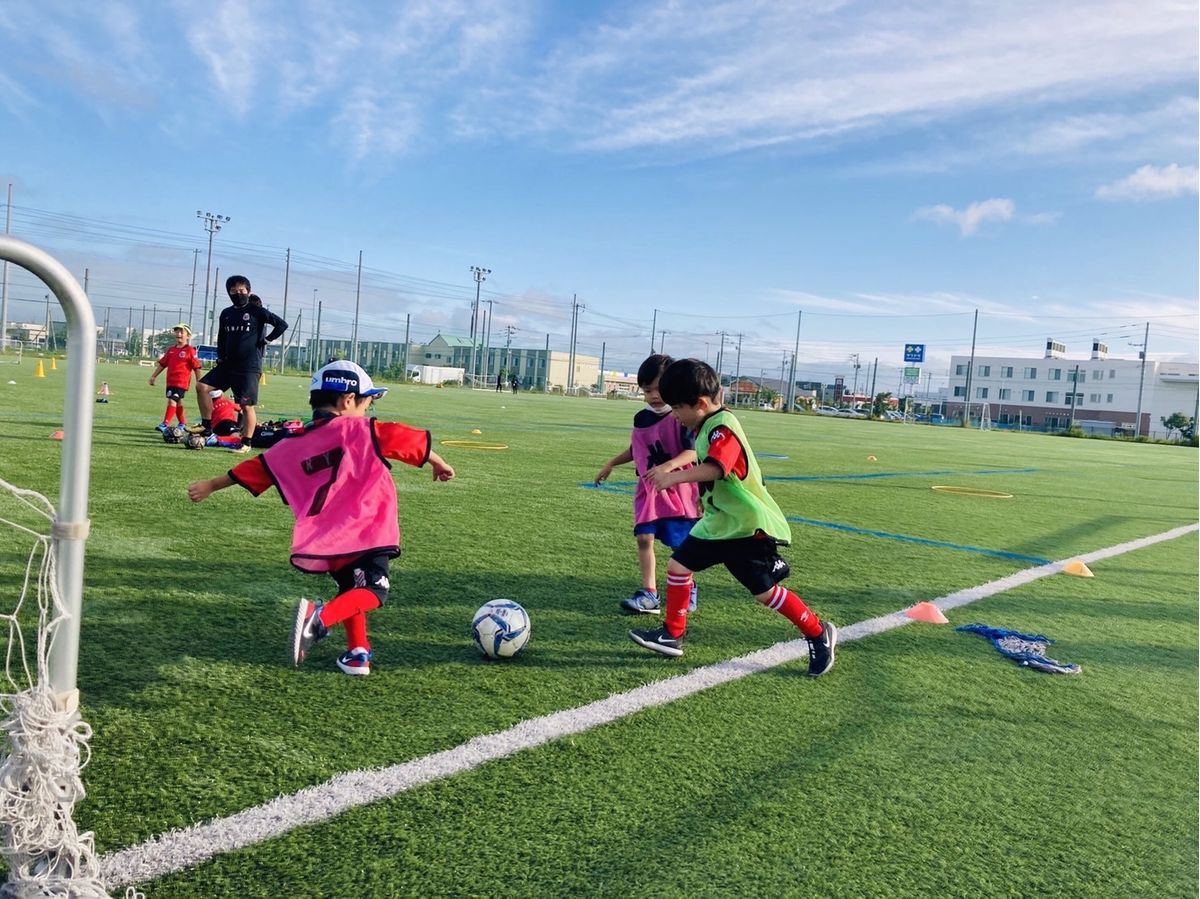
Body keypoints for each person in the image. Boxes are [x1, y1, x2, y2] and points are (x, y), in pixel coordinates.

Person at [186, 360, 455, 677]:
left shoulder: (295, 441)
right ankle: (318, 620)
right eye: (367, 404)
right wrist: (438, 462)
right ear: (348, 400)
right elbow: (407, 440)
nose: (367, 412)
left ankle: (357, 653)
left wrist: (212, 485)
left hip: (330, 537)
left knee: (351, 589)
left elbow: (258, 468)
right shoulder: (363, 430)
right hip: (368, 529)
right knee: (374, 590)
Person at [630, 358, 837, 677]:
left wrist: (673, 477)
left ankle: (817, 632)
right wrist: (700, 496)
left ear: (700, 403)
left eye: (678, 408)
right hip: (718, 524)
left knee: (765, 594)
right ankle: (672, 634)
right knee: (679, 566)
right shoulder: (705, 425)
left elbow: (717, 468)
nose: (675, 414)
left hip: (744, 527)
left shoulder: (722, 428)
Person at [595, 354, 701, 615]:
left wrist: (668, 467)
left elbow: (693, 452)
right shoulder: (640, 419)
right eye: (647, 390)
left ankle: (689, 588)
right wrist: (611, 463)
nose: (653, 395)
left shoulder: (680, 417)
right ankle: (650, 594)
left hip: (677, 490)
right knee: (644, 538)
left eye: (658, 389)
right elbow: (637, 449)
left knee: (680, 546)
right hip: (648, 491)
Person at [195, 275, 287, 450]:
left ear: (248, 291)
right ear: (229, 293)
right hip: (228, 365)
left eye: (241, 290)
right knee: (202, 387)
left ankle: (246, 442)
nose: (238, 293)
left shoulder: (256, 311)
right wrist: (220, 355)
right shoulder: (226, 313)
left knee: (246, 405)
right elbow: (222, 337)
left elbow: (282, 325)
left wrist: (267, 340)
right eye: (233, 291)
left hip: (248, 368)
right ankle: (206, 427)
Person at [149, 323, 201, 432]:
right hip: (170, 382)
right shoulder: (171, 350)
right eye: (177, 331)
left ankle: (165, 424)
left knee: (172, 400)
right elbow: (163, 364)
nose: (179, 334)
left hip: (181, 382)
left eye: (182, 332)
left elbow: (196, 367)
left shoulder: (190, 350)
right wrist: (153, 376)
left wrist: (199, 382)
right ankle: (182, 423)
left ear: (188, 336)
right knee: (178, 402)